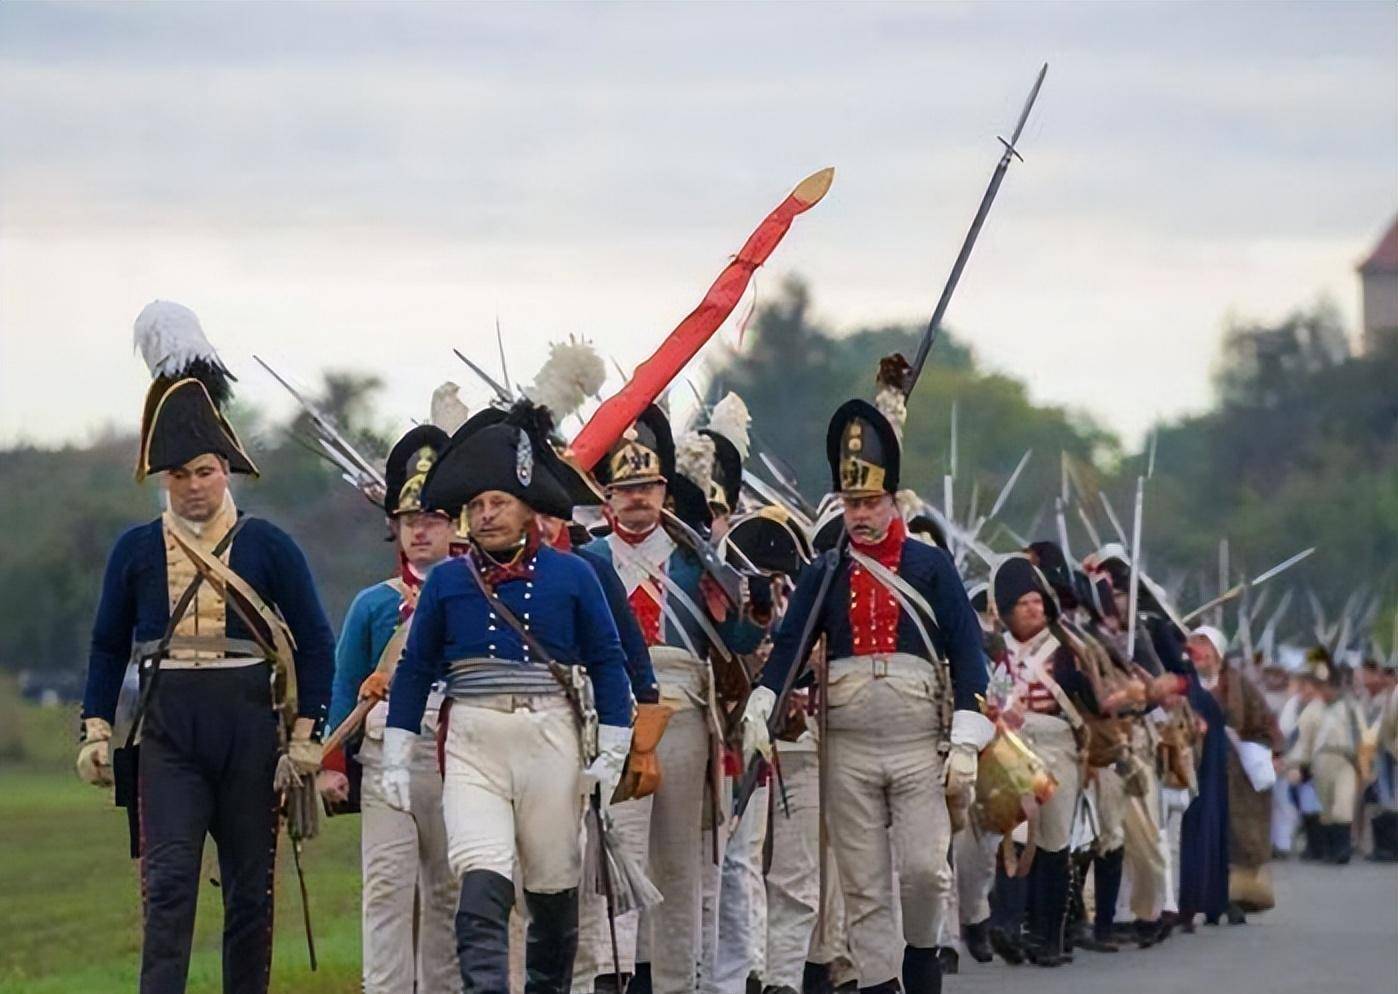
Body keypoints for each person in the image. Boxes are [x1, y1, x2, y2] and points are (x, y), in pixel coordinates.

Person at [77, 301, 334, 994]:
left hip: (250, 728)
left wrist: (307, 733)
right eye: (179, 475)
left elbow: (315, 641)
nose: (193, 487)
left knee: (252, 894)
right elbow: (107, 647)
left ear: (227, 468)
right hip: (168, 730)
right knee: (166, 892)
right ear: (163, 477)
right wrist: (96, 728)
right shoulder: (134, 551)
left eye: (205, 472)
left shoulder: (268, 544)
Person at [382, 400, 634, 993]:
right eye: (475, 506)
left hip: (551, 740)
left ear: (528, 509)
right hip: (472, 739)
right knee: (480, 877)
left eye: (497, 503)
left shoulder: (576, 577)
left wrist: (614, 750)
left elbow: (608, 662)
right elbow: (416, 668)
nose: (486, 515)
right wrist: (396, 751)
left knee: (551, 884)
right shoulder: (447, 581)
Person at [744, 397, 993, 994]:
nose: (860, 514)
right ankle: (881, 983)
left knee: (924, 872)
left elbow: (969, 657)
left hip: (917, 744)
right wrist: (761, 703)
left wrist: (965, 739)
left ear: (893, 501)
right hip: (849, 745)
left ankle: (923, 954)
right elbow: (790, 649)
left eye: (869, 502)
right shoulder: (824, 570)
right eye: (851, 503)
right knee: (863, 886)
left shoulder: (931, 567)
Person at [582, 403, 769, 994]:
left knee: (679, 864)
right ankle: (613, 976)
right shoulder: (586, 562)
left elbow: (736, 640)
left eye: (647, 486)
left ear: (664, 488)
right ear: (607, 496)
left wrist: (747, 606)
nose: (636, 498)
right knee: (614, 854)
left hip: (685, 711)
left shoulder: (695, 557)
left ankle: (675, 981)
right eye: (625, 488)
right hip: (611, 716)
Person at [323, 424, 460, 994]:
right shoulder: (373, 604)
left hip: (457, 759)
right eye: (410, 521)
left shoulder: (473, 593)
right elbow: (344, 683)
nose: (420, 531)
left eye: (431, 519)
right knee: (386, 889)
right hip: (385, 762)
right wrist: (332, 762)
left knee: (449, 897)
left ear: (455, 525)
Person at [1190, 625, 1282, 923]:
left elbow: (1264, 722)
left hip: (1232, 773)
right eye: (1194, 645)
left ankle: (1231, 897)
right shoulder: (1184, 682)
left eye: (1204, 646)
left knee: (1234, 835)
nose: (1198, 653)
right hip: (1189, 767)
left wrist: (1270, 752)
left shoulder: (1238, 685)